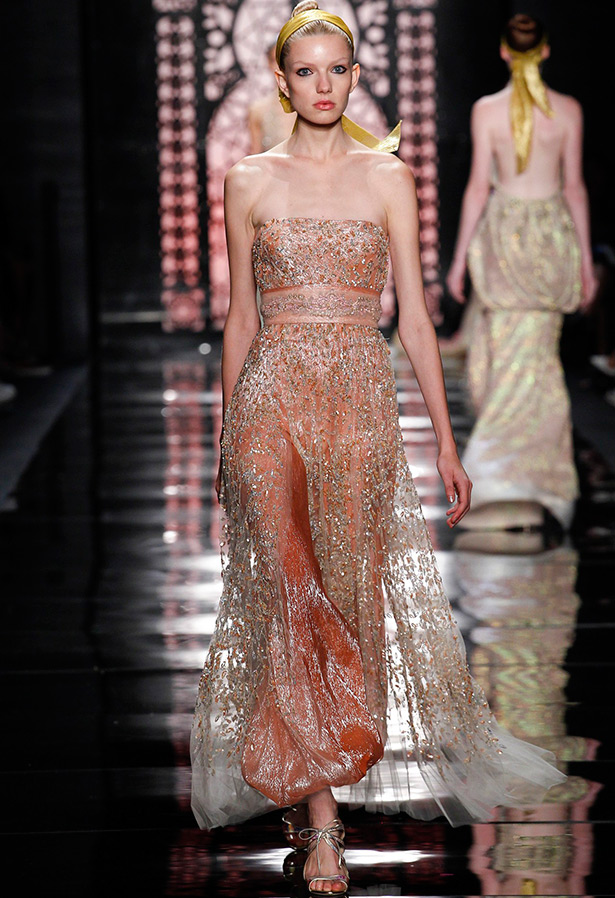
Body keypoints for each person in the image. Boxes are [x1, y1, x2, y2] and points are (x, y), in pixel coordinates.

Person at [190, 4, 565, 894]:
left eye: (337, 69)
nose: (323, 85)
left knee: (345, 595)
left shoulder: (388, 178)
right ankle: (322, 829)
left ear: (355, 77)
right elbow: (239, 320)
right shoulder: (248, 180)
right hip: (271, 404)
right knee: (290, 595)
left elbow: (417, 323)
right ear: (281, 81)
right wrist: (227, 436)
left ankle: (310, 774)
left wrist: (447, 443)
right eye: (306, 71)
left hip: (358, 409)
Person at [446, 13, 598, 532]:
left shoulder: (486, 110)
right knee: (538, 358)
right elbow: (574, 188)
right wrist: (584, 261)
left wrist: (459, 259)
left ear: (505, 53)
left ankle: (498, 474)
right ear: (546, 51)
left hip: (504, 237)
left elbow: (477, 188)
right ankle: (539, 481)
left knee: (507, 356)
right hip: (550, 238)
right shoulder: (569, 110)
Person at [248, 44, 297, 154]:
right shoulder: (258, 110)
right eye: (277, 60)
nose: (282, 65)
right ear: (269, 63)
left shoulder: (312, 106)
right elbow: (256, 156)